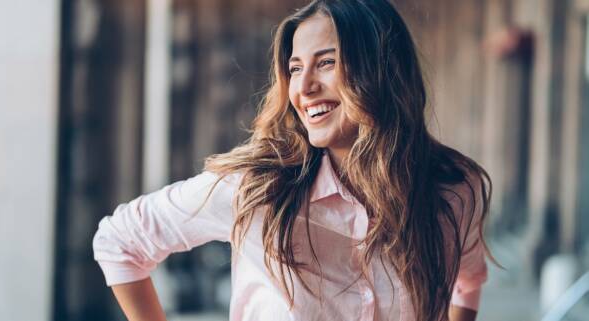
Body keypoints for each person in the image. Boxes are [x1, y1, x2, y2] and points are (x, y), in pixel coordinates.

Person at [92, 1, 495, 320]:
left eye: (326, 62)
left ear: (383, 71)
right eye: (295, 68)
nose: (303, 87)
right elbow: (120, 241)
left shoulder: (455, 188)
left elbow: (467, 280)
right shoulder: (257, 188)